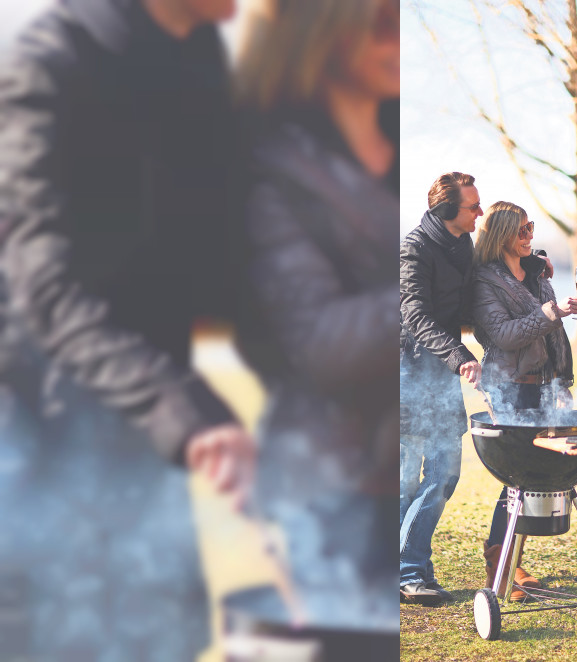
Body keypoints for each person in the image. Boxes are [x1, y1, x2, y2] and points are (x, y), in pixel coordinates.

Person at [0, 0, 253, 659]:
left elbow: (214, 262)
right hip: (42, 422)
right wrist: (182, 409)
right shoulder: (49, 66)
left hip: (147, 423)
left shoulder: (198, 59)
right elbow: (47, 290)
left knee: (167, 635)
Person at [232, 0, 401, 625]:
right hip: (330, 485)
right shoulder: (268, 171)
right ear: (326, 30)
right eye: (383, 23)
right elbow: (319, 343)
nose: (401, 39)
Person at [469, 201, 577, 602]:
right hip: (509, 386)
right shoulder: (485, 280)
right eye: (522, 229)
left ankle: (506, 556)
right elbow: (504, 335)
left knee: (532, 473)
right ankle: (504, 561)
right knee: (517, 474)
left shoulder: (536, 272)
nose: (529, 234)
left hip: (544, 383)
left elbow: (550, 335)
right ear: (501, 233)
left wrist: (561, 383)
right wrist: (553, 311)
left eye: (531, 227)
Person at [399, 171, 484, 605]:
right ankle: (409, 572)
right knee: (405, 481)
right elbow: (414, 314)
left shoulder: (462, 244)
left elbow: (470, 300)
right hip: (407, 372)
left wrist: (531, 262)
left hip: (443, 371)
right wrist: (461, 356)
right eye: (473, 206)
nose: (480, 212)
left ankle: (408, 569)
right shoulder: (414, 248)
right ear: (445, 210)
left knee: (444, 473)